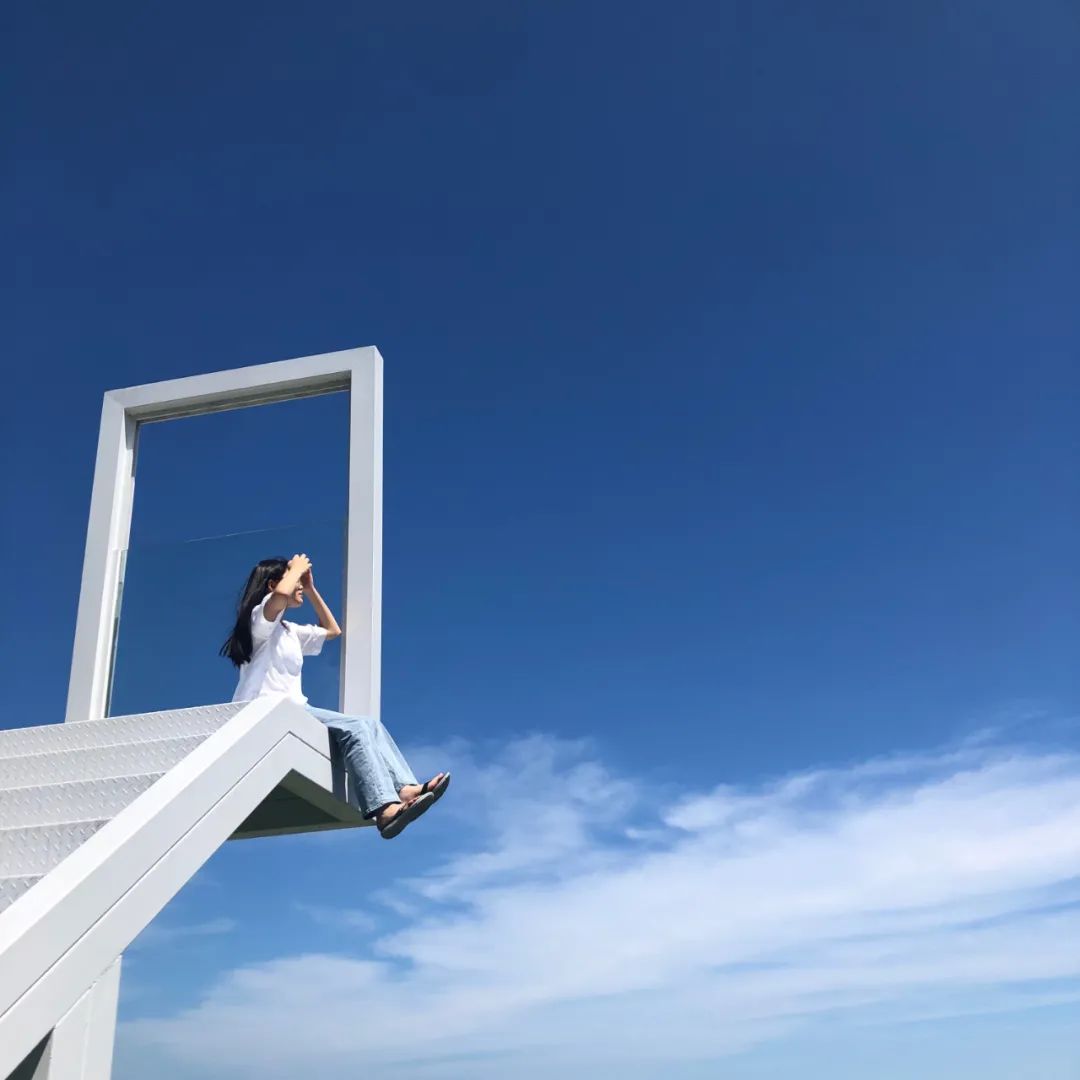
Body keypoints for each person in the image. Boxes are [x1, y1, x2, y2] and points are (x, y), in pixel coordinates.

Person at [219, 553, 449, 839]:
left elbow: (332, 630)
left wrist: (310, 588)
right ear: (272, 585)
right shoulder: (260, 620)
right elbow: (279, 596)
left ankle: (404, 788)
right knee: (356, 729)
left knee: (370, 724)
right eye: (294, 580)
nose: (298, 585)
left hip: (294, 710)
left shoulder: (289, 631)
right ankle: (384, 809)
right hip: (265, 711)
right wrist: (296, 568)